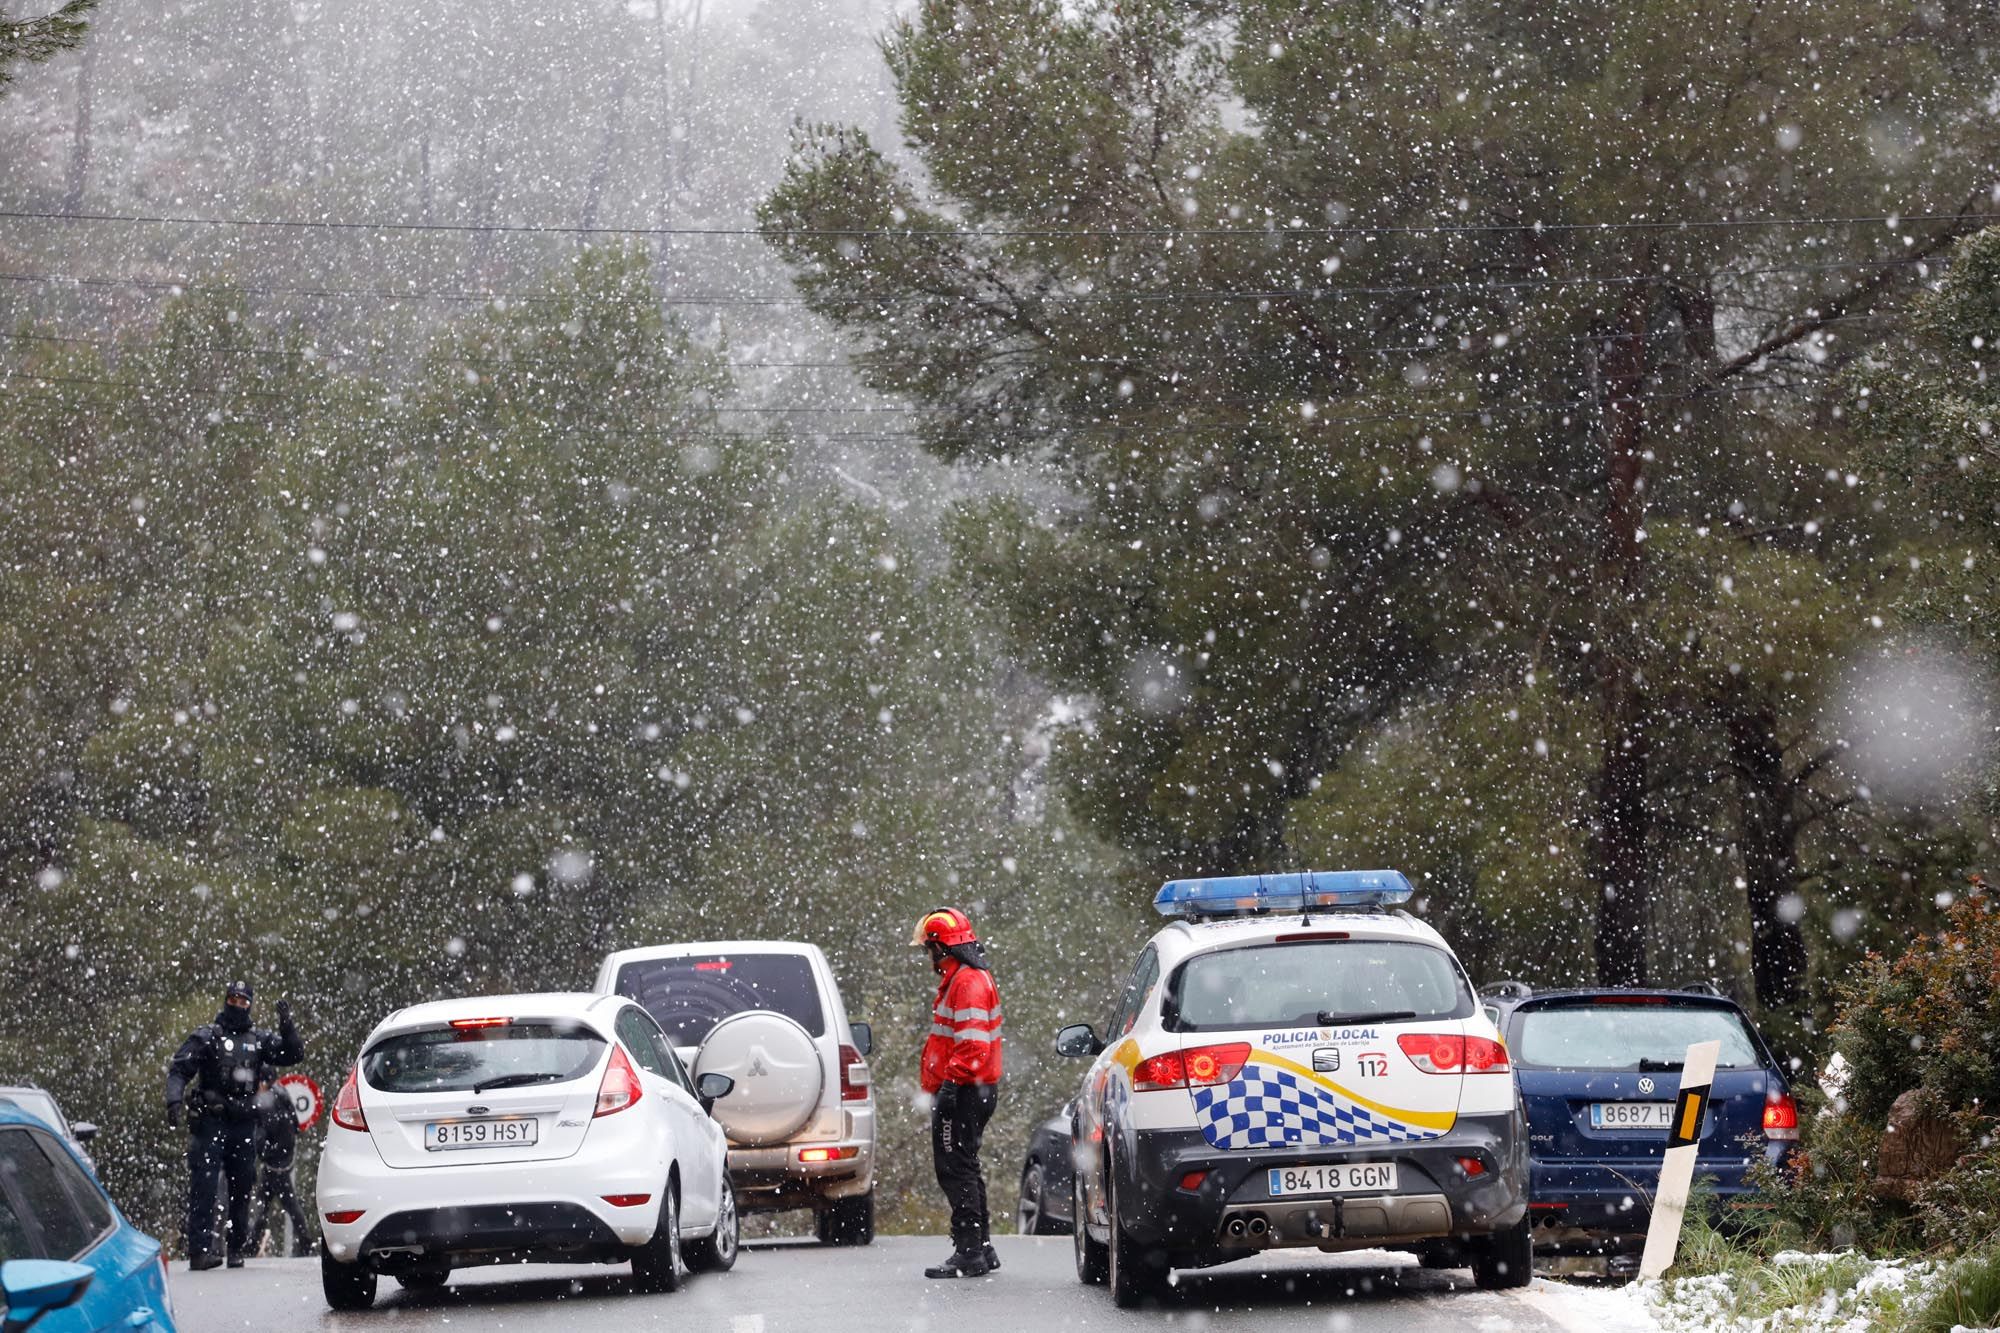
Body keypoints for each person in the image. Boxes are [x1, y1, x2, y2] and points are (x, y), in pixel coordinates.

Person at [165, 980, 303, 1270]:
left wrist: (287, 1027)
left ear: (250, 1005)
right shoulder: (208, 1037)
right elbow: (179, 1069)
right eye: (234, 999)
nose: (238, 1005)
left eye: (244, 1001)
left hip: (242, 1124)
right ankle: (199, 1250)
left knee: (242, 1186)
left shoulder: (258, 1040)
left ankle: (236, 1247)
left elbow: (293, 1055)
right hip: (210, 1122)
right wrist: (173, 1101)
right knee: (204, 1186)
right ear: (226, 1000)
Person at [911, 907, 1004, 1279]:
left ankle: (969, 1251)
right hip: (972, 1088)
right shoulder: (969, 978)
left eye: (929, 949)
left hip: (964, 1090)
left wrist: (951, 1083)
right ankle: (981, 1247)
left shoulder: (966, 983)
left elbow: (972, 1044)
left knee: (954, 1168)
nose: (928, 957)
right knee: (966, 1165)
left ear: (941, 947)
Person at [248, 1065, 312, 1258]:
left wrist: (263, 1150)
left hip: (274, 1163)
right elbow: (295, 1126)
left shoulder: (268, 1100)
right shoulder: (282, 1095)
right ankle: (305, 1243)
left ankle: (251, 1245)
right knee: (282, 1204)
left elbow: (265, 1130)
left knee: (267, 1203)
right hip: (283, 1159)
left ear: (262, 1082)